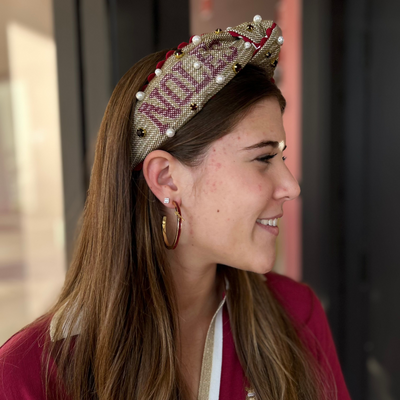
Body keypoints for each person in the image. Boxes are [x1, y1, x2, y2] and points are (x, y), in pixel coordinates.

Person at [0, 16, 351, 400]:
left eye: (283, 157)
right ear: (166, 179)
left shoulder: (297, 315)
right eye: (263, 158)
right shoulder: (29, 376)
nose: (291, 186)